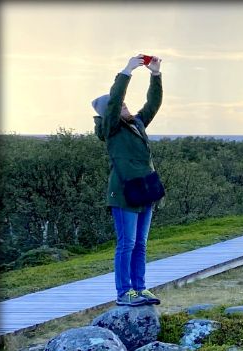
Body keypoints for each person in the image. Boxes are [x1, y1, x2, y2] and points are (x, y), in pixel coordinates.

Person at [92, 54, 163, 306]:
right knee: (127, 244)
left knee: (140, 244)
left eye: (124, 104)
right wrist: (127, 70)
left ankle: (140, 289)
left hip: (144, 191)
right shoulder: (110, 129)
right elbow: (113, 105)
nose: (125, 106)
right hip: (123, 194)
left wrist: (155, 74)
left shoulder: (136, 124)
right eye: (120, 105)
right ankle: (124, 293)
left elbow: (152, 104)